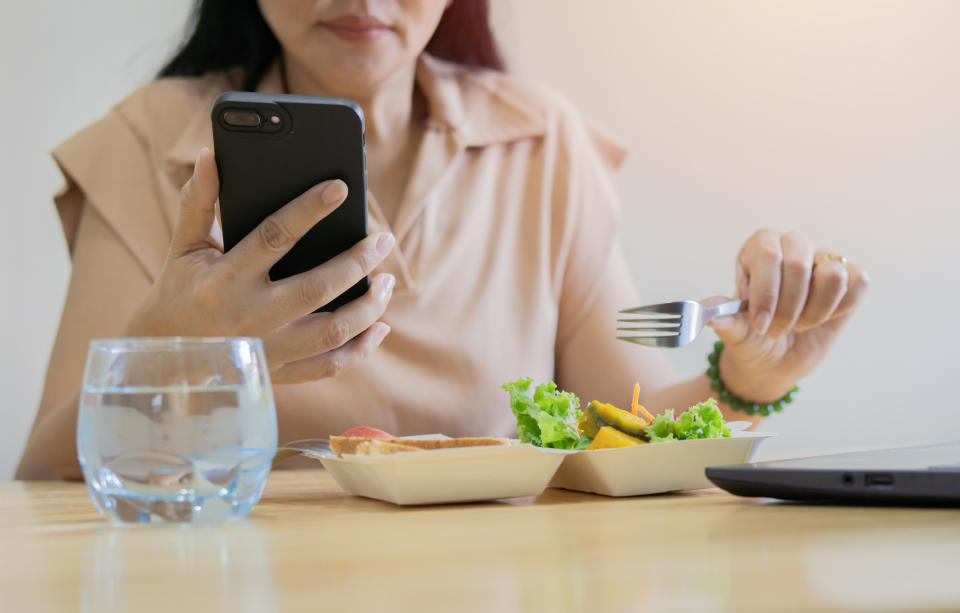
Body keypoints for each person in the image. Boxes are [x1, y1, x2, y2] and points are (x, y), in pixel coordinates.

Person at [16, 0, 869, 480]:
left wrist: (747, 381)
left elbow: (637, 439)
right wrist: (170, 347)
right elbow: (45, 479)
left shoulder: (540, 143)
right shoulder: (145, 142)